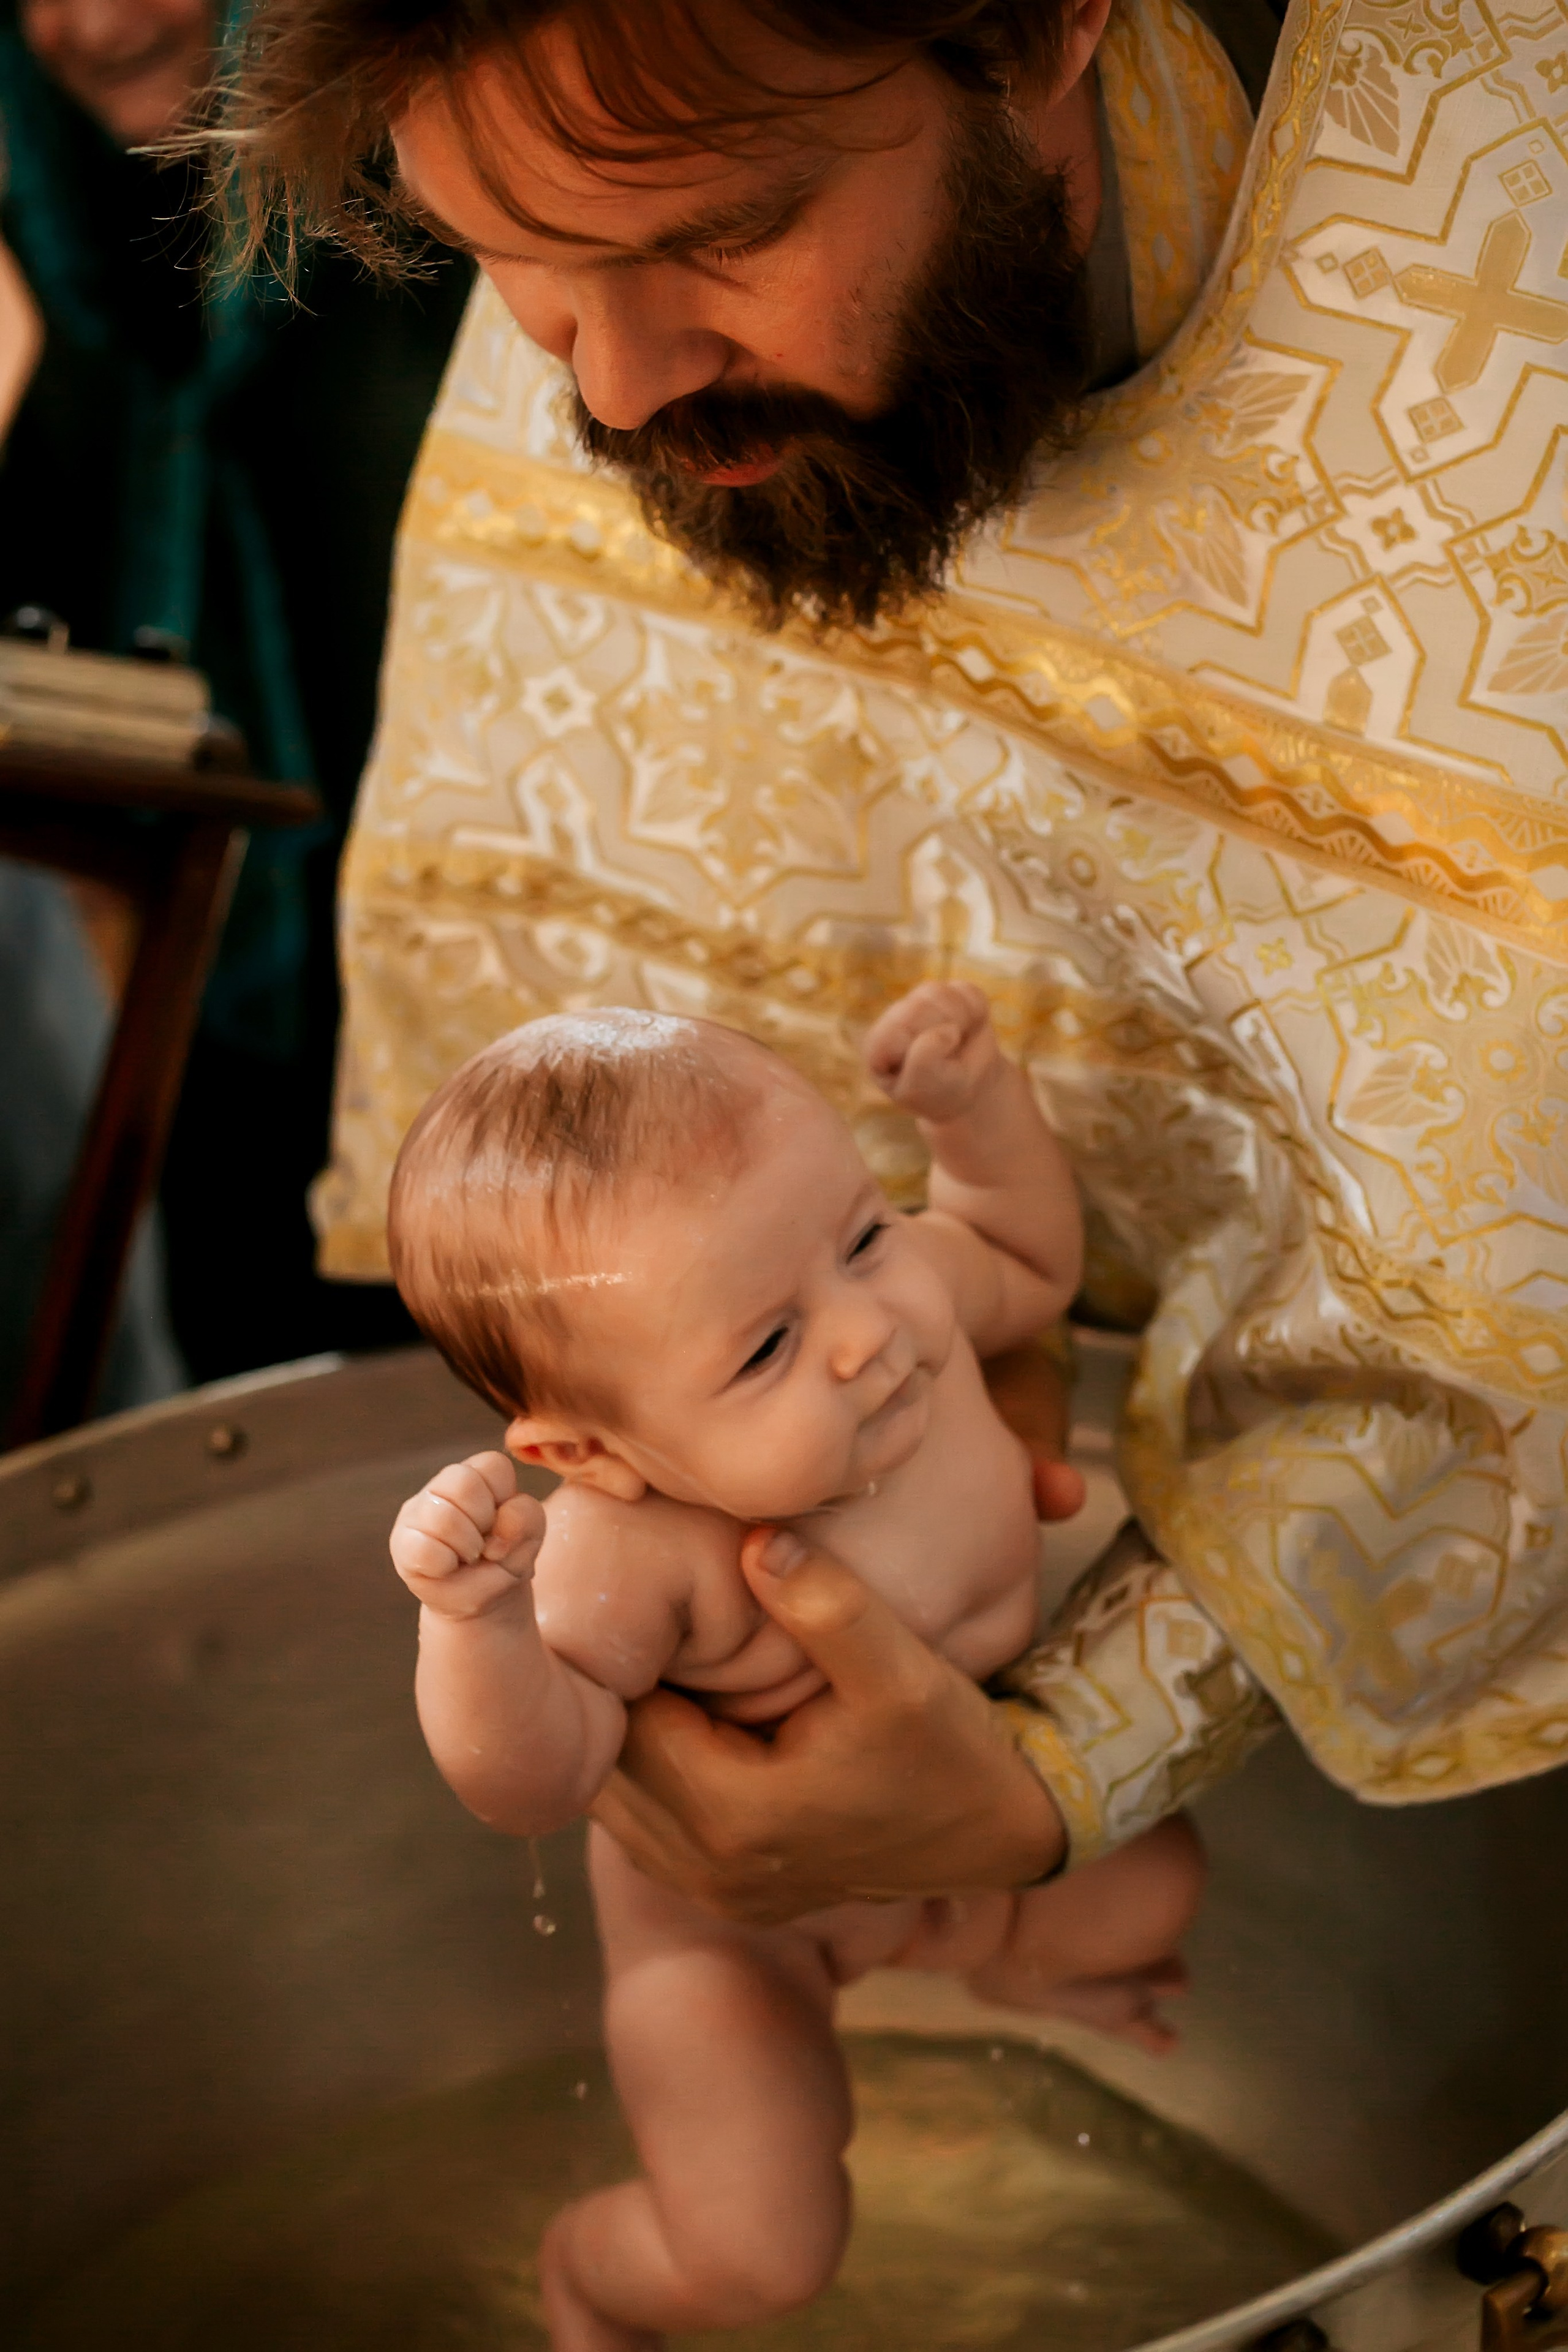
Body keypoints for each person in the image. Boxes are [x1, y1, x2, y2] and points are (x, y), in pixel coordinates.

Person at [217, 0, 1568, 1913]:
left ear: (1040, 36)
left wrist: (1085, 1739)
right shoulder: (600, 118)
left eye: (716, 240)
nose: (608, 393)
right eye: (517, 266)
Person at [386, 990, 1204, 2346]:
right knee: (760, 2254)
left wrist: (968, 1113)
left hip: (954, 1838)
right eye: (766, 1346)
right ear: (590, 1453)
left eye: (862, 1232)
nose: (863, 1331)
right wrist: (476, 1629)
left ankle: (1001, 1965)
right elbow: (536, 1784)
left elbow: (1021, 1254)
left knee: (1151, 1888)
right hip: (734, 1930)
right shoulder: (626, 1551)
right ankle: (595, 2275)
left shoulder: (902, 1304)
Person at [0, 0, 472, 1389]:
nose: (90, 23)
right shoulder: (53, 282)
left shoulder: (453, 233)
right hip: (194, 1066)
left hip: (447, 1037)